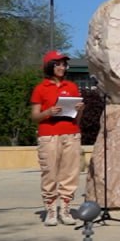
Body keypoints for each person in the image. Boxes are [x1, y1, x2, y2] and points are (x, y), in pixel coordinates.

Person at [29, 50, 81, 226]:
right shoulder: (40, 88)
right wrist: (48, 112)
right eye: (57, 64)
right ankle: (50, 211)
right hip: (48, 135)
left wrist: (79, 109)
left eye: (64, 64)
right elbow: (34, 116)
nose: (62, 67)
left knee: (70, 173)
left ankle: (65, 209)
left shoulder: (71, 86)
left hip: (71, 133)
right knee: (50, 173)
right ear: (49, 66)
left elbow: (77, 118)